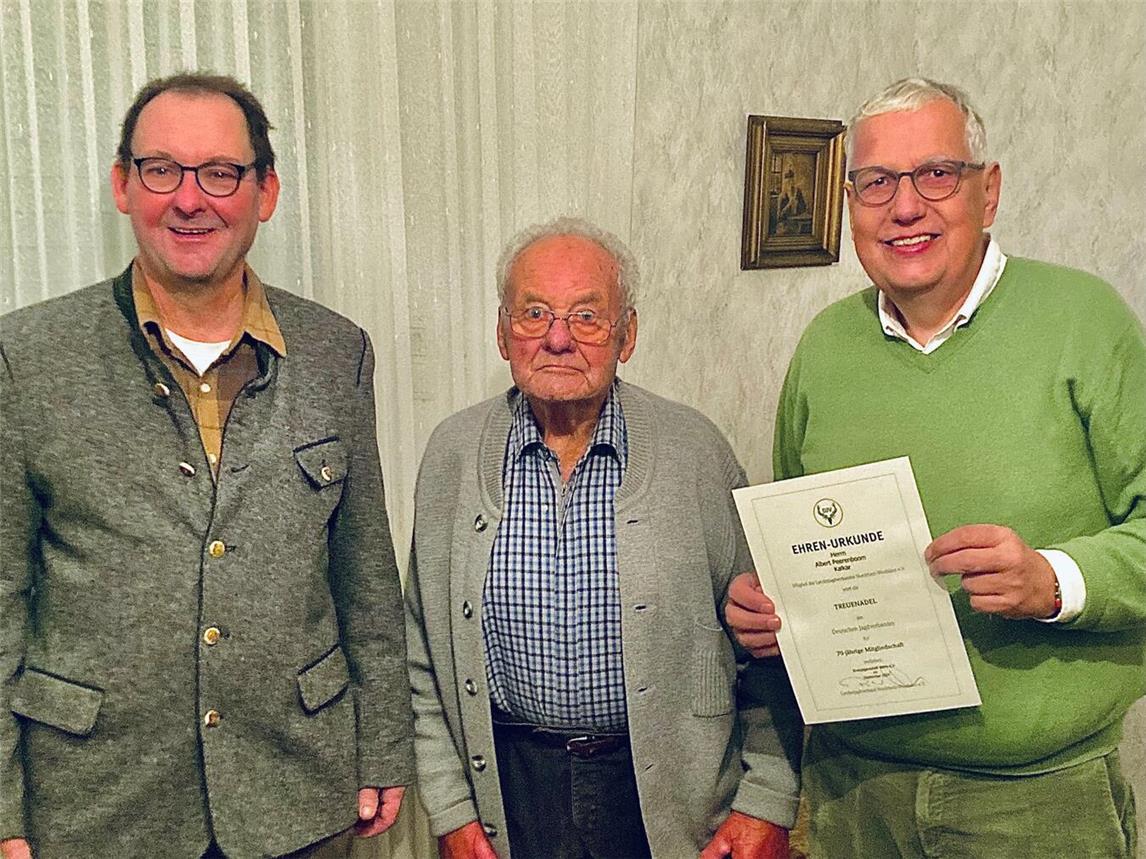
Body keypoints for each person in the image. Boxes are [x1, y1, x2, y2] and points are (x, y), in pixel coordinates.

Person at [726, 78, 1145, 858]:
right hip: (852, 793)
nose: (905, 207)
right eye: (876, 181)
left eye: (936, 175)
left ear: (988, 192)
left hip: (1036, 802)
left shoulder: (1088, 324)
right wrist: (765, 607)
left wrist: (1053, 579)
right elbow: (789, 544)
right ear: (850, 201)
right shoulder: (824, 349)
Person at [0, 72, 414, 859]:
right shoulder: (25, 357)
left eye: (221, 172)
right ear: (123, 185)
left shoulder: (335, 351)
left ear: (266, 192)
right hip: (96, 809)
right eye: (162, 169)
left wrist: (383, 744)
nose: (191, 199)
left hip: (299, 794)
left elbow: (363, 573)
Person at [404, 217, 802, 859]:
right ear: (503, 332)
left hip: (670, 795)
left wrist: (768, 800)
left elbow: (767, 637)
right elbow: (420, 651)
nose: (558, 339)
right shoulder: (453, 454)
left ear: (628, 333)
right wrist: (451, 809)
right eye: (535, 313)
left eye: (587, 317)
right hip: (510, 786)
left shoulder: (694, 451)